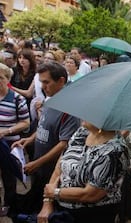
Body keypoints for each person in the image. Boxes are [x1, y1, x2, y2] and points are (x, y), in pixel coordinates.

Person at [12, 62, 80, 215]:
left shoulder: (69, 108)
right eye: (41, 82)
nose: (42, 86)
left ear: (61, 81)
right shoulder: (50, 99)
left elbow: (64, 144)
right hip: (39, 168)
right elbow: (44, 126)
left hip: (52, 173)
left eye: (46, 82)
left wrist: (37, 163)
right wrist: (29, 139)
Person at [37, 122, 128, 223]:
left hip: (91, 215)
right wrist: (47, 202)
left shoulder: (114, 151)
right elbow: (59, 167)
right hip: (61, 211)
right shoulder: (82, 132)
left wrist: (54, 193)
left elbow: (90, 194)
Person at [0, 63, 30, 217]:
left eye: (0, 77)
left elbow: (26, 123)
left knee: (9, 177)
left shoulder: (17, 98)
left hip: (9, 144)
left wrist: (7, 131)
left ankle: (9, 205)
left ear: (7, 79)